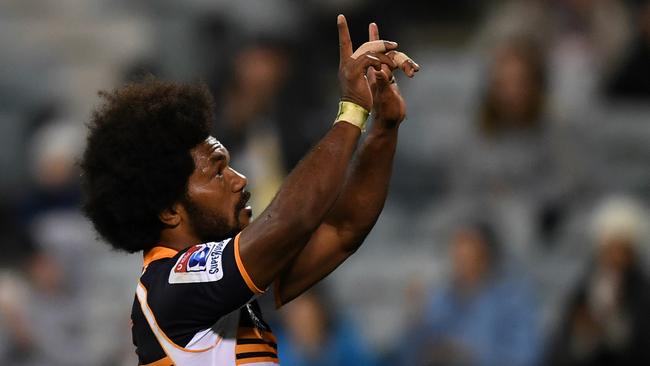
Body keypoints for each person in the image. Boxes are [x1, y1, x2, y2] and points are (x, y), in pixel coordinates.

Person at [80, 15, 419, 366]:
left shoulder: (224, 292)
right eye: (217, 173)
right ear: (170, 210)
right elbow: (290, 220)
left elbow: (343, 230)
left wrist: (383, 127)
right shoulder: (173, 285)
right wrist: (351, 108)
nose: (240, 179)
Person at [399, 221, 540, 366]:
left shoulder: (512, 299)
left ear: (485, 256)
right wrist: (415, 316)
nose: (459, 262)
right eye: (456, 255)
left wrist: (466, 353)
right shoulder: (441, 298)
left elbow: (524, 357)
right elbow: (409, 355)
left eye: (467, 256)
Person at [547, 196, 650, 366]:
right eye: (610, 248)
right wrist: (583, 339)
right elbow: (562, 343)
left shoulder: (642, 292)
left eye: (622, 249)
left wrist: (616, 333)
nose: (616, 256)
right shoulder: (583, 287)